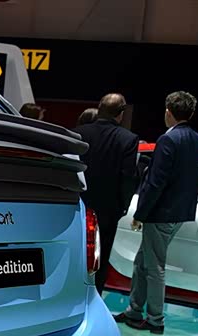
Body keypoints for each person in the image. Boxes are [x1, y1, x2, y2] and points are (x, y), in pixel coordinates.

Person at [115, 91, 198, 334]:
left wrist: (140, 214)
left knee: (154, 267)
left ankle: (155, 320)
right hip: (179, 212)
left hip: (160, 212)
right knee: (142, 261)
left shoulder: (168, 140)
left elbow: (156, 182)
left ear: (168, 111)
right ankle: (134, 310)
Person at [73, 93, 139, 294]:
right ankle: (94, 298)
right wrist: (122, 207)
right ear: (120, 114)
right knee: (99, 259)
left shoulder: (77, 133)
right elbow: (128, 177)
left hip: (76, 205)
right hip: (108, 210)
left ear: (99, 108)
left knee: (73, 254)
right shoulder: (127, 139)